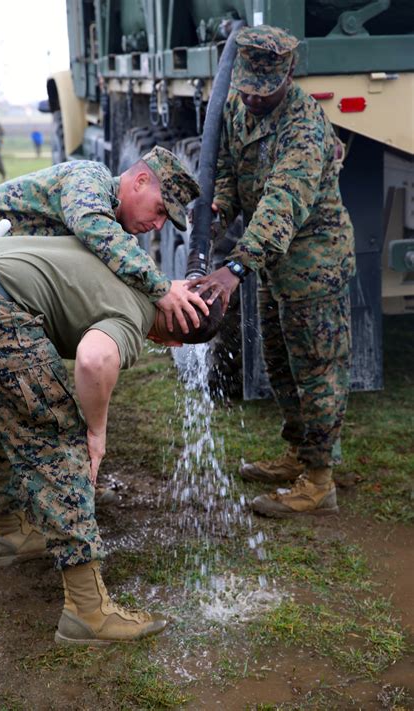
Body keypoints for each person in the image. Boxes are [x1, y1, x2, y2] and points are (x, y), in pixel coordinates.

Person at [0, 234, 223, 644]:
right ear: (173, 341)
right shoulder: (135, 318)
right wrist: (95, 430)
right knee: (58, 443)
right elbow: (94, 359)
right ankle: (88, 611)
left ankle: (9, 530)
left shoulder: (129, 261)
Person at [188, 25, 355, 518]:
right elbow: (224, 172)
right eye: (245, 89)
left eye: (264, 91)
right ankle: (298, 454)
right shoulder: (239, 109)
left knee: (318, 369)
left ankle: (320, 481)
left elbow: (284, 202)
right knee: (280, 364)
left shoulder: (304, 124)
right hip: (272, 260)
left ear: (288, 77)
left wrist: (234, 266)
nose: (253, 99)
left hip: (313, 262)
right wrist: (214, 211)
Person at [0, 146, 208, 335]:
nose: (158, 225)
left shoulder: (113, 226)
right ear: (139, 182)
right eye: (160, 210)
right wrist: (161, 288)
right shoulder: (90, 176)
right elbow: (91, 224)